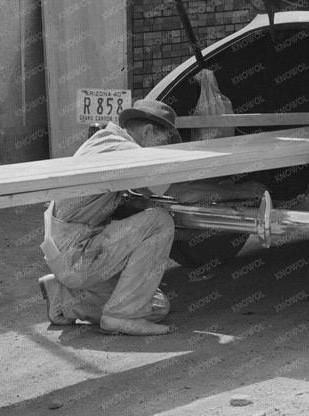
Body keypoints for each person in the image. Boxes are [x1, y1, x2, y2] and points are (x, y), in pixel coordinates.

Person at [39, 98, 262, 336]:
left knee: (156, 306)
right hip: (77, 255)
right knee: (159, 222)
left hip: (67, 253)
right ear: (147, 131)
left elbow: (146, 194)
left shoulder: (105, 141)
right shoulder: (127, 151)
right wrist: (239, 191)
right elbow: (180, 192)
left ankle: (63, 298)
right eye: (163, 142)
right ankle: (121, 316)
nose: (163, 151)